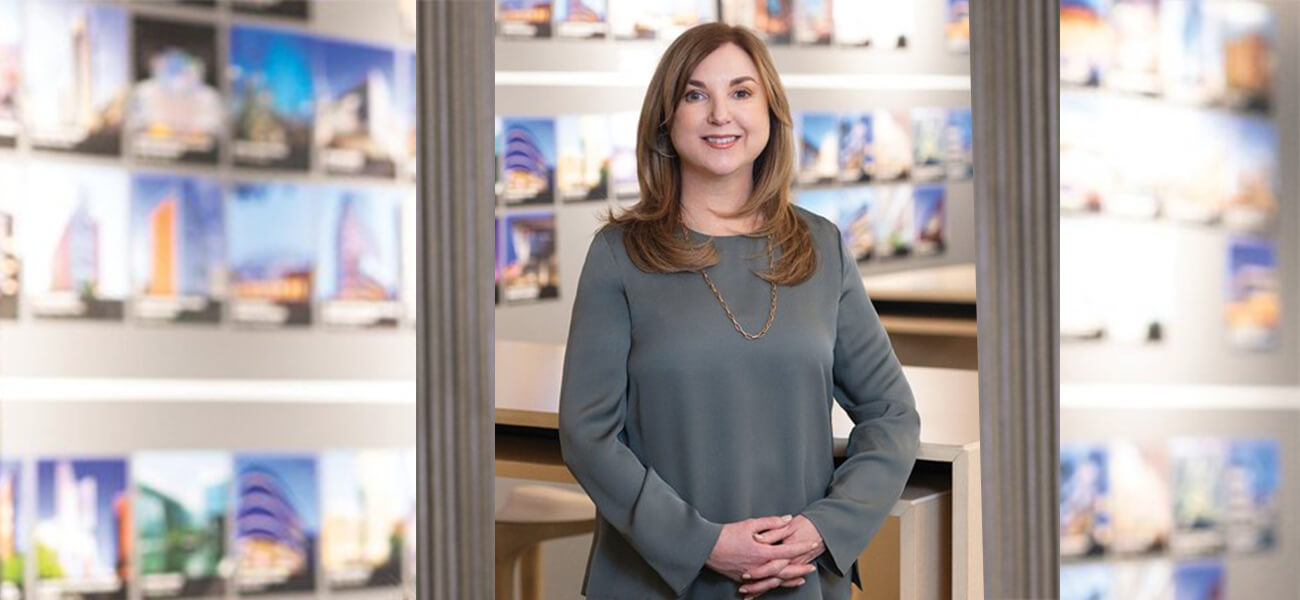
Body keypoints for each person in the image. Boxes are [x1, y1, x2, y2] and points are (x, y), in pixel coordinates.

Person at [558, 22, 920, 600]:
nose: (720, 114)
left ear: (771, 113)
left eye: (742, 92)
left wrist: (823, 529)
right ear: (666, 119)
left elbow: (891, 413)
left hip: (794, 578)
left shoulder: (822, 246)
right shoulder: (618, 255)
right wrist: (703, 544)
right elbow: (587, 436)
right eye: (695, 94)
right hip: (657, 582)